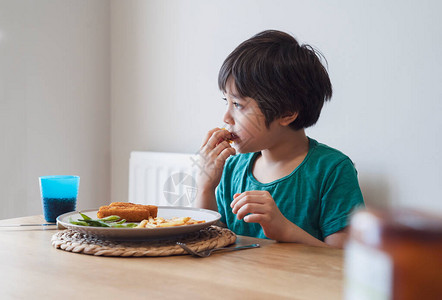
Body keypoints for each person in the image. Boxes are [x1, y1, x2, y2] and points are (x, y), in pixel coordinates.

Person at [195, 30, 364, 248]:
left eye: (238, 104)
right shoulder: (232, 169)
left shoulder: (332, 170)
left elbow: (344, 262)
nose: (226, 117)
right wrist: (205, 188)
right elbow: (208, 246)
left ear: (287, 113)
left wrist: (285, 230)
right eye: (225, 101)